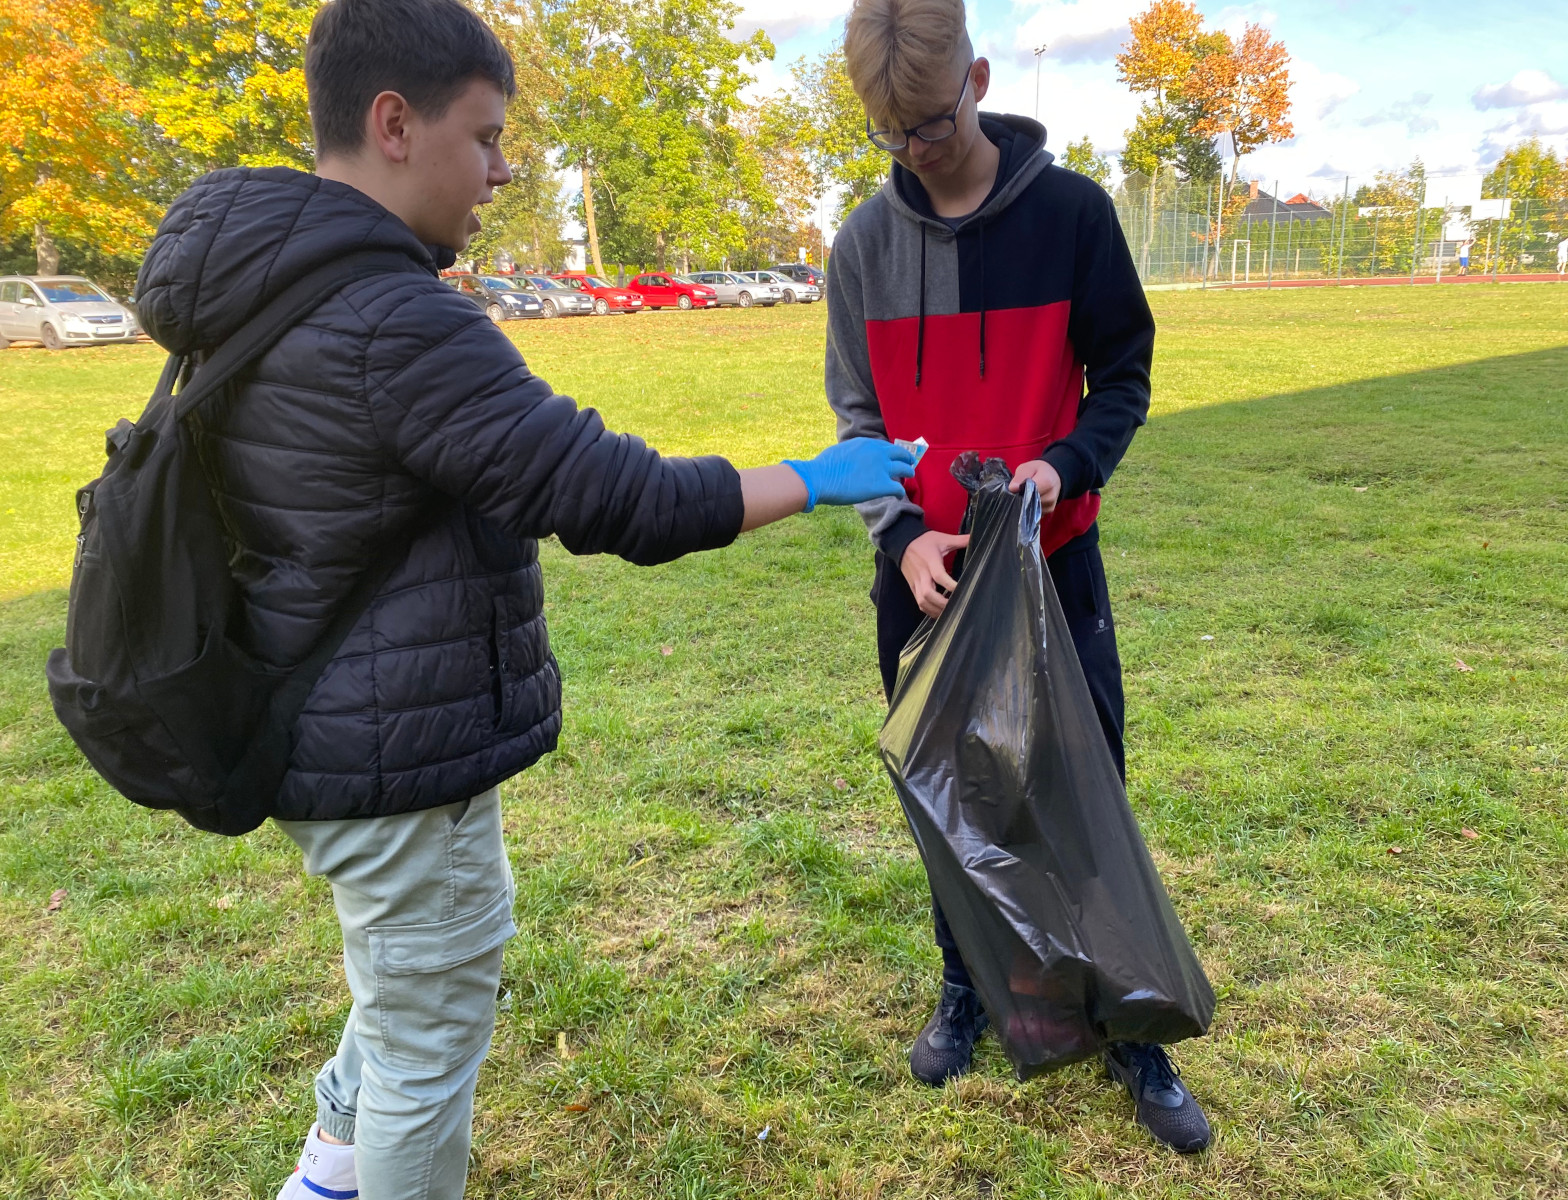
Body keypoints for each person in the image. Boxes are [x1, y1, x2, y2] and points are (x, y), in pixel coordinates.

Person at [132, 3, 915, 1198]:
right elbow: (613, 496)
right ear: (394, 124)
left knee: (410, 978)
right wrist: (812, 476)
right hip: (388, 750)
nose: (502, 170)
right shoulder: (390, 317)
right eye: (486, 136)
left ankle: (330, 1171)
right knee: (426, 1036)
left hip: (325, 717)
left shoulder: (267, 280)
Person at [824, 0, 1212, 1155]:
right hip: (928, 583)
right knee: (953, 800)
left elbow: (1123, 376)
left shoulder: (1074, 216)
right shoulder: (862, 248)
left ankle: (1125, 1020)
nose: (913, 150)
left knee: (1081, 796)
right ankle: (971, 988)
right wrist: (901, 533)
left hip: (1052, 571)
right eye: (889, 132)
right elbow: (857, 417)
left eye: (931, 123)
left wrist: (1064, 466)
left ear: (979, 80)